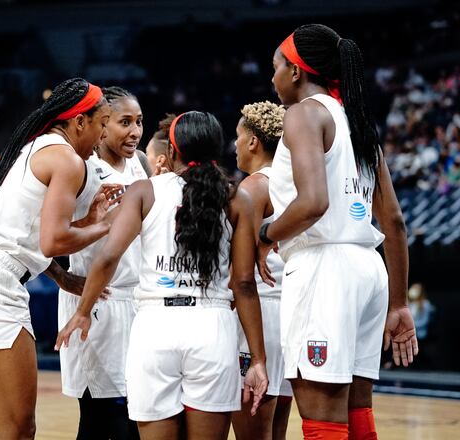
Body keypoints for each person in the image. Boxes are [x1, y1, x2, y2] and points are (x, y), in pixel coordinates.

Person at [57, 111, 269, 440]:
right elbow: (243, 283)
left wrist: (82, 312)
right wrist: (258, 359)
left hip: (155, 327)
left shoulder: (145, 190)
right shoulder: (236, 197)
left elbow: (108, 256)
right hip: (211, 327)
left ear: (171, 151)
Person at [0, 78, 121, 440]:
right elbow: (53, 241)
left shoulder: (30, 148)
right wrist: (105, 226)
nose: (103, 135)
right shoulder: (67, 159)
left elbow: (25, 234)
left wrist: (65, 275)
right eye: (102, 122)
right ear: (80, 121)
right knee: (17, 430)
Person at [259, 24, 417, 439]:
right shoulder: (359, 122)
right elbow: (395, 224)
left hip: (324, 268)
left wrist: (266, 234)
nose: (271, 77)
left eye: (275, 67)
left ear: (295, 71)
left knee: (321, 411)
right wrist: (398, 303)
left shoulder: (304, 114)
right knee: (356, 406)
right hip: (370, 271)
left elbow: (313, 203)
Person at [58, 86, 148, 440]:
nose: (135, 131)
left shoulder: (141, 164)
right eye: (125, 122)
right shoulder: (81, 169)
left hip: (136, 300)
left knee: (133, 413)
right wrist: (64, 279)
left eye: (139, 122)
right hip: (97, 301)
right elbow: (41, 235)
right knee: (103, 418)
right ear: (103, 125)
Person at [230, 101, 293, 440]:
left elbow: (237, 270)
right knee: (276, 431)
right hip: (287, 311)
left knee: (252, 434)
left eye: (238, 137)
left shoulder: (253, 187)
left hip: (257, 313)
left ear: (253, 141)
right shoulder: (295, 183)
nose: (234, 144)